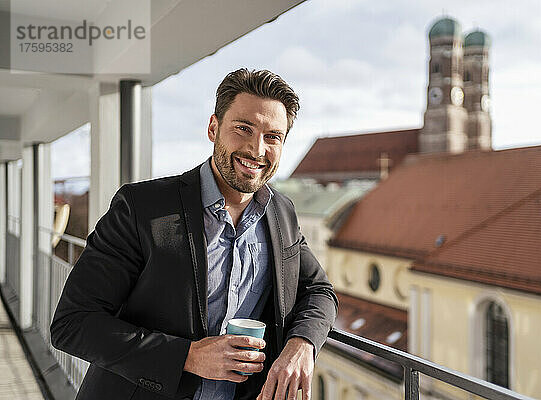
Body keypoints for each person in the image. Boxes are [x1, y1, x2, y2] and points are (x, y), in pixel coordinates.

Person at [50, 68, 339, 400]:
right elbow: (73, 324)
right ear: (213, 128)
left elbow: (319, 291)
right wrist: (186, 356)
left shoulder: (281, 213)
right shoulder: (142, 208)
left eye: (272, 136)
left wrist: (302, 344)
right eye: (243, 128)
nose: (257, 149)